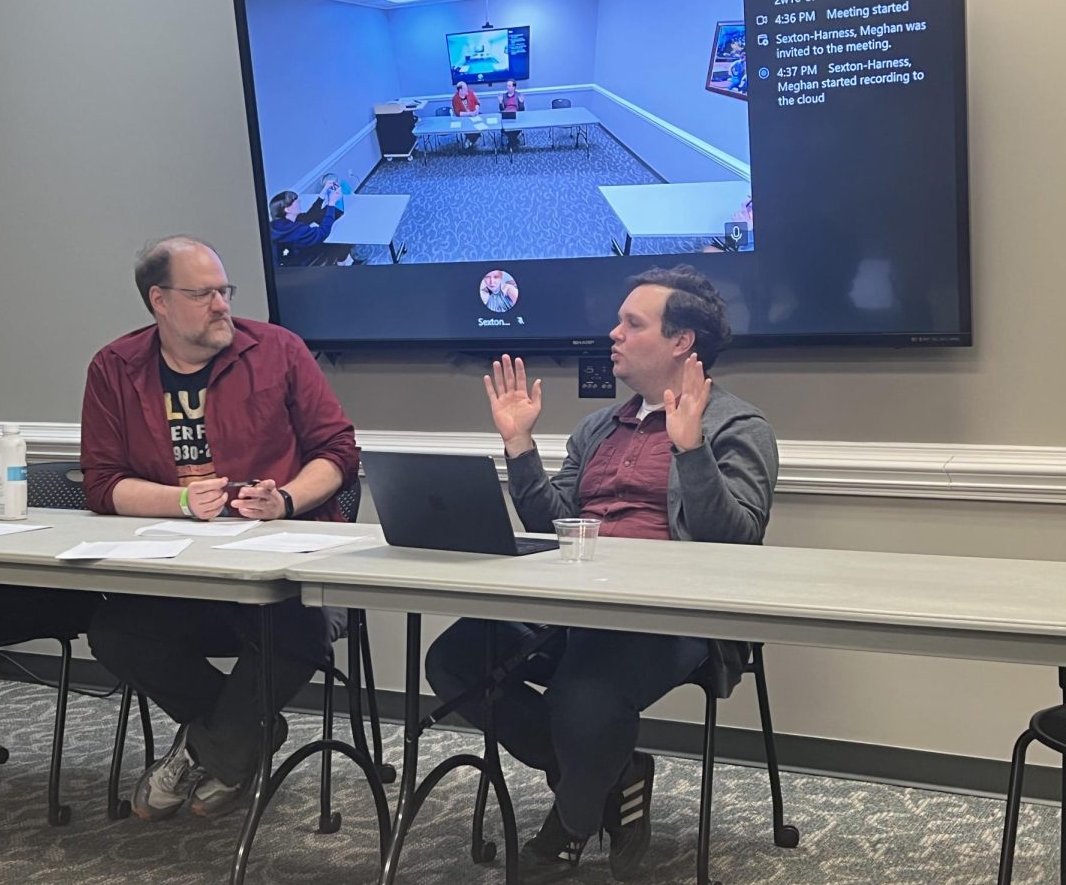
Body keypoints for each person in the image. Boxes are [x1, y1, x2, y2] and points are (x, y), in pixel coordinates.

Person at [425, 265, 778, 882]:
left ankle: (564, 833)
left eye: (630, 323)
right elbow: (554, 519)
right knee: (455, 660)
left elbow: (738, 541)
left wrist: (691, 450)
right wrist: (519, 446)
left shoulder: (739, 427)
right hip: (570, 602)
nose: (611, 333)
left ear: (681, 342)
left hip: (666, 617)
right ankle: (611, 772)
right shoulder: (600, 426)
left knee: (583, 696)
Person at [82, 235, 359, 822]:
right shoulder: (115, 367)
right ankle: (243, 735)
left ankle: (208, 748)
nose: (220, 305)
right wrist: (180, 501)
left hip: (284, 574)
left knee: (300, 637)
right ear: (159, 301)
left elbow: (338, 451)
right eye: (202, 293)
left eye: (224, 291)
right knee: (115, 633)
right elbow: (103, 483)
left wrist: (284, 499)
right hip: (181, 571)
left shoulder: (278, 350)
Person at [269, 184, 353, 267]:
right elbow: (323, 231)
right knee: (343, 239)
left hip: (288, 261)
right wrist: (331, 203)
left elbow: (309, 216)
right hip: (304, 264)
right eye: (295, 200)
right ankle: (342, 264)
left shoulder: (275, 225)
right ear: (287, 209)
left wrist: (322, 194)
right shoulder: (300, 231)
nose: (299, 200)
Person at [452, 80, 482, 148]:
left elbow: (477, 103)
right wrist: (469, 114)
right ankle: (470, 140)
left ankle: (469, 140)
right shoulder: (455, 99)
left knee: (479, 127)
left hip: (474, 114)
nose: (467, 90)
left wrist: (477, 110)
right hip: (464, 117)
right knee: (470, 128)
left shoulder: (470, 93)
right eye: (465, 89)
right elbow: (458, 113)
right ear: (460, 90)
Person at [498, 78, 525, 150]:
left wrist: (521, 103)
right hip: (506, 115)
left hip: (516, 116)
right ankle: (514, 142)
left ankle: (511, 143)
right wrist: (500, 102)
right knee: (505, 129)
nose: (508, 87)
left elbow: (522, 110)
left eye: (509, 86)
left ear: (514, 87)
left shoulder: (518, 95)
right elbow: (501, 109)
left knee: (515, 128)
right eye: (507, 86)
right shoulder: (503, 96)